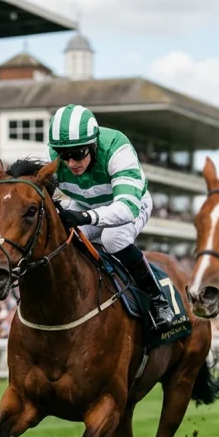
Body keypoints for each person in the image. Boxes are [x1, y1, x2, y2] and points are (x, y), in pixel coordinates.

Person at [46, 104, 175, 331]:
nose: (71, 163)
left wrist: (84, 216)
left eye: (77, 154)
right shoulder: (55, 157)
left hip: (132, 203)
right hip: (85, 203)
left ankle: (158, 300)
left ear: (93, 145)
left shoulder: (118, 149)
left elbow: (126, 208)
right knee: (61, 239)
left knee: (112, 238)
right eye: (64, 155)